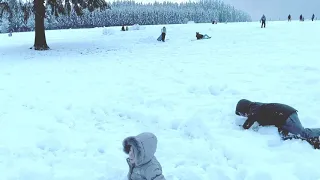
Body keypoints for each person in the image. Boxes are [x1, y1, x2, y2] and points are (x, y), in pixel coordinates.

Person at [235, 99, 320, 149]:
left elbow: (251, 119)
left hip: (287, 115)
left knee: (302, 132)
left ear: (245, 108)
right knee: (285, 136)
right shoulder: (256, 110)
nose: (244, 116)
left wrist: (243, 128)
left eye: (242, 113)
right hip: (282, 121)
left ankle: (312, 135)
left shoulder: (254, 107)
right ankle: (313, 139)